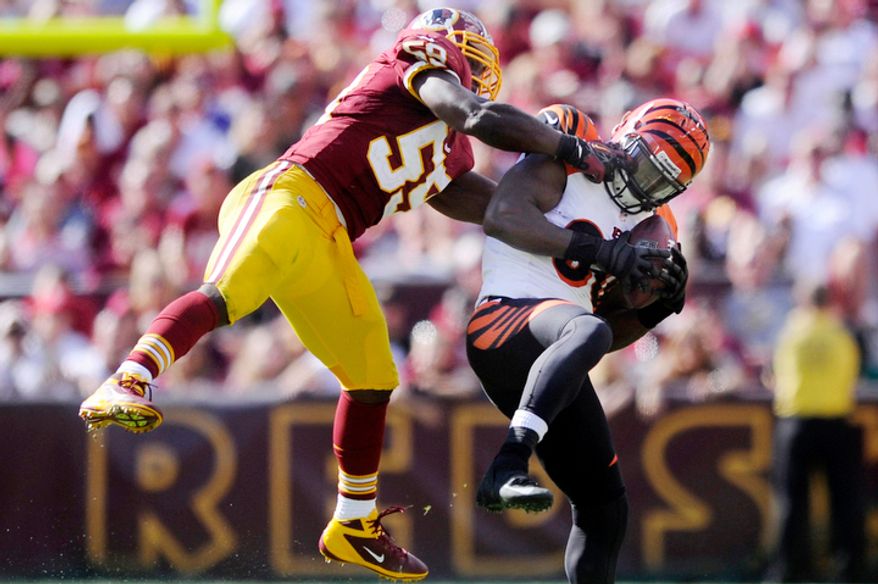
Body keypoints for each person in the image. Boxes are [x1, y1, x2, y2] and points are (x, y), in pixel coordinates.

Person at [77, 7, 630, 582]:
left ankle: (353, 522)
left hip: (331, 235)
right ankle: (130, 377)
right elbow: (476, 113)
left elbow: (494, 209)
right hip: (290, 194)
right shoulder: (417, 70)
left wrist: (572, 239)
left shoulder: (448, 151)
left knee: (372, 375)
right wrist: (573, 149)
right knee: (227, 295)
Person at [465, 99, 710, 583]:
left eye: (663, 182)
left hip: (555, 352)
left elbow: (604, 340)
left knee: (605, 506)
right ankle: (508, 462)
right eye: (646, 166)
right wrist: (602, 252)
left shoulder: (650, 227)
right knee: (585, 326)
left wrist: (657, 308)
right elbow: (503, 214)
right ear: (625, 136)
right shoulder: (573, 152)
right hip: (501, 322)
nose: (645, 185)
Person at [765, 278, 865, 583]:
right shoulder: (844, 333)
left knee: (791, 502)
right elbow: (853, 373)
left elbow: (775, 374)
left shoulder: (790, 332)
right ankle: (849, 568)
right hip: (837, 423)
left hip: (796, 424)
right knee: (845, 502)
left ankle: (790, 568)